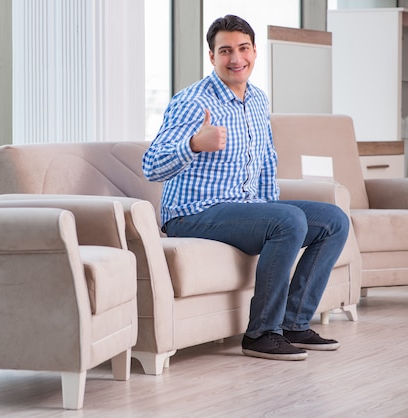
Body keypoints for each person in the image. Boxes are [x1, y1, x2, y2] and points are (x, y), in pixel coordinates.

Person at [142, 14, 349, 361]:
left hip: (242, 207)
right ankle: (261, 334)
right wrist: (194, 143)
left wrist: (271, 211)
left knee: (334, 220)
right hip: (193, 213)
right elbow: (151, 166)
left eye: (242, 48)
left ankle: (294, 322)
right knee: (288, 221)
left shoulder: (256, 99)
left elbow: (266, 161)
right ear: (212, 57)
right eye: (225, 51)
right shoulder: (192, 102)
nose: (236, 58)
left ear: (254, 51)